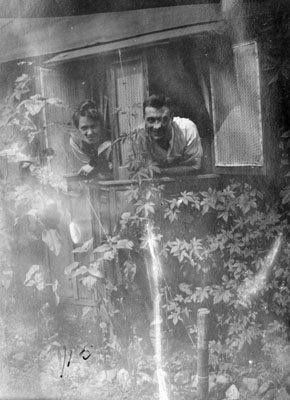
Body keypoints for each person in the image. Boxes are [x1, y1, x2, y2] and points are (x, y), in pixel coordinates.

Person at [128, 94, 203, 171]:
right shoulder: (137, 136)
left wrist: (159, 171)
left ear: (172, 118)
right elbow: (138, 170)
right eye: (151, 120)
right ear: (144, 118)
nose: (157, 126)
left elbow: (195, 167)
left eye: (163, 120)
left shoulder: (187, 130)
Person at [70, 100, 112, 176]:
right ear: (77, 129)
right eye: (84, 128)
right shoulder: (75, 142)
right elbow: (86, 167)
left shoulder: (110, 140)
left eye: (93, 126)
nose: (90, 133)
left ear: (101, 126)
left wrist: (94, 166)